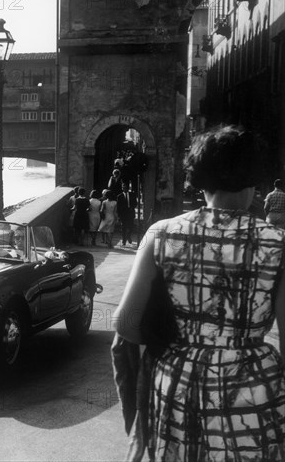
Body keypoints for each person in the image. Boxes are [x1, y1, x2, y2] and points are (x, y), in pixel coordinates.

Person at [112, 125, 285, 461]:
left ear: (199, 177)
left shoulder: (161, 234)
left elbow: (125, 324)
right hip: (253, 389)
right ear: (255, 178)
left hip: (178, 383)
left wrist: (179, 343)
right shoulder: (277, 242)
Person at [116, 181, 137, 247]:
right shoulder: (119, 196)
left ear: (127, 188)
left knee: (131, 226)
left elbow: (135, 203)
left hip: (130, 212)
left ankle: (128, 235)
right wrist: (119, 216)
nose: (124, 188)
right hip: (123, 214)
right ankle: (124, 240)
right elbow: (118, 207)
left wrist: (132, 207)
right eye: (123, 187)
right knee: (123, 227)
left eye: (125, 187)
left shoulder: (132, 194)